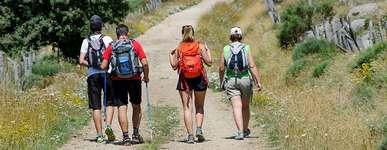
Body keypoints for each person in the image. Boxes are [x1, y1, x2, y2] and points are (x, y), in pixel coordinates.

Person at [100, 24, 149, 145]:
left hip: (118, 80)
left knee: (122, 107)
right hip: (134, 79)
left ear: (117, 34)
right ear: (127, 33)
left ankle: (126, 137)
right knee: (136, 106)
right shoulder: (134, 44)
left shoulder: (112, 47)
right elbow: (145, 63)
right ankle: (136, 135)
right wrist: (146, 76)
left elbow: (104, 66)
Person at [169, 25, 212, 144]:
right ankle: (199, 129)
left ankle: (190, 135)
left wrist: (170, 55)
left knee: (187, 108)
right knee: (199, 106)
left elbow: (173, 66)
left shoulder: (179, 48)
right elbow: (209, 62)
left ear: (182, 33)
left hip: (184, 80)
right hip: (199, 78)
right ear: (193, 33)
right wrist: (208, 51)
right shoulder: (200, 46)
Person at [219, 27, 262, 140]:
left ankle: (239, 132)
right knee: (245, 106)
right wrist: (258, 81)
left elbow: (222, 68)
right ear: (241, 36)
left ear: (230, 36)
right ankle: (245, 129)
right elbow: (252, 65)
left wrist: (221, 81)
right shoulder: (246, 48)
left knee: (236, 106)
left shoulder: (225, 49)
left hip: (231, 81)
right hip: (245, 80)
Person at [79, 15, 116, 143]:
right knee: (110, 102)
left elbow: (81, 61)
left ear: (91, 27)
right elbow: (113, 55)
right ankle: (109, 126)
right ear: (101, 26)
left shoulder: (86, 41)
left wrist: (92, 65)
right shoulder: (107, 39)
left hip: (92, 75)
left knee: (96, 106)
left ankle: (99, 135)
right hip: (107, 73)